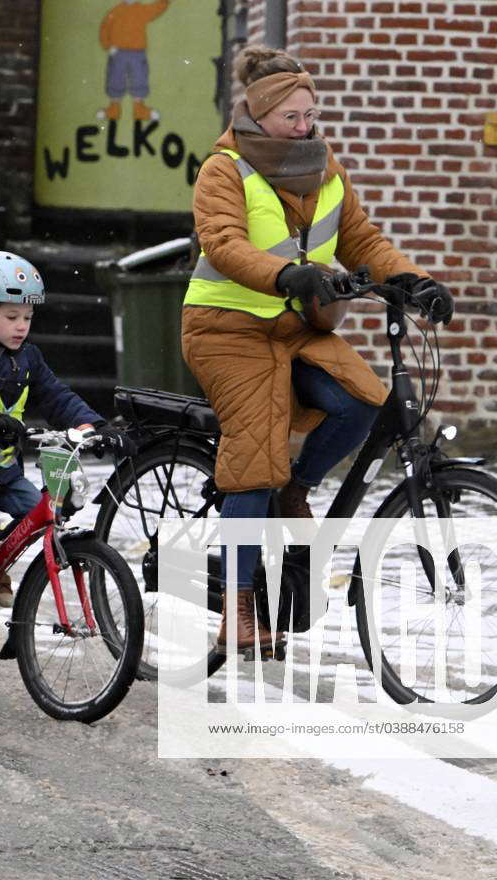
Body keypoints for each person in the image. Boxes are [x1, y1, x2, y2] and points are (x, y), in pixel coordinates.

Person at [181, 45, 453, 652]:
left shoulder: (326, 169)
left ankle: (294, 489)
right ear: (259, 114)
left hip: (296, 328)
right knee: (253, 455)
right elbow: (224, 244)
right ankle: (238, 608)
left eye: (312, 115)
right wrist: (285, 276)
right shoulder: (224, 170)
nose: (306, 127)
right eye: (293, 117)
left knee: (364, 402)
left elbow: (363, 241)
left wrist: (412, 281)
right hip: (227, 328)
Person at [0, 250, 133, 648]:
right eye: (11, 317)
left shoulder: (27, 358)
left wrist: (95, 425)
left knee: (42, 513)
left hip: (0, 467)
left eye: (27, 318)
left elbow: (57, 397)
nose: (21, 327)